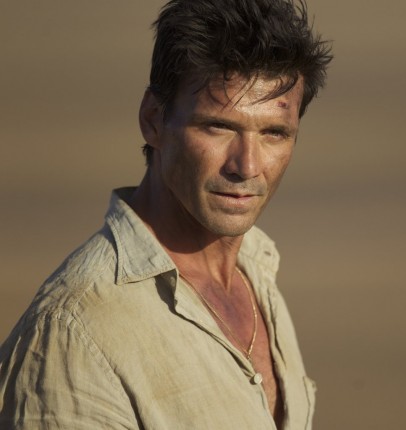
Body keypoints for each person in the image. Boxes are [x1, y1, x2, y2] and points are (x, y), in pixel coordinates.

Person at [0, 0, 332, 428]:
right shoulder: (74, 331)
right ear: (153, 120)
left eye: (274, 133)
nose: (247, 166)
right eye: (219, 127)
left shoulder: (258, 271)